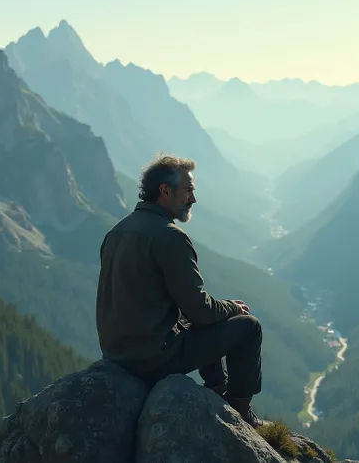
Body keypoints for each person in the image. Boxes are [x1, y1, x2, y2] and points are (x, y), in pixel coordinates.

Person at [96, 154, 265, 428]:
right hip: (153, 358)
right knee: (248, 327)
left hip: (117, 355)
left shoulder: (116, 232)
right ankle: (240, 413)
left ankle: (217, 386)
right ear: (165, 191)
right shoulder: (170, 236)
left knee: (195, 320)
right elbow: (200, 310)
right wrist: (233, 307)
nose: (193, 199)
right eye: (188, 190)